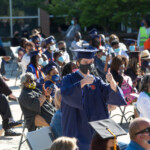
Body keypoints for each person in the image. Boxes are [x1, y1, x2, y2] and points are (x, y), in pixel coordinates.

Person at [61, 49, 126, 150]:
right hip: (78, 125)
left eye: (91, 62)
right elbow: (66, 95)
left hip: (98, 126)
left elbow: (109, 93)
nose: (89, 64)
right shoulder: (68, 79)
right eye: (85, 62)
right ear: (78, 63)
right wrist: (82, 83)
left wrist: (112, 81)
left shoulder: (96, 80)